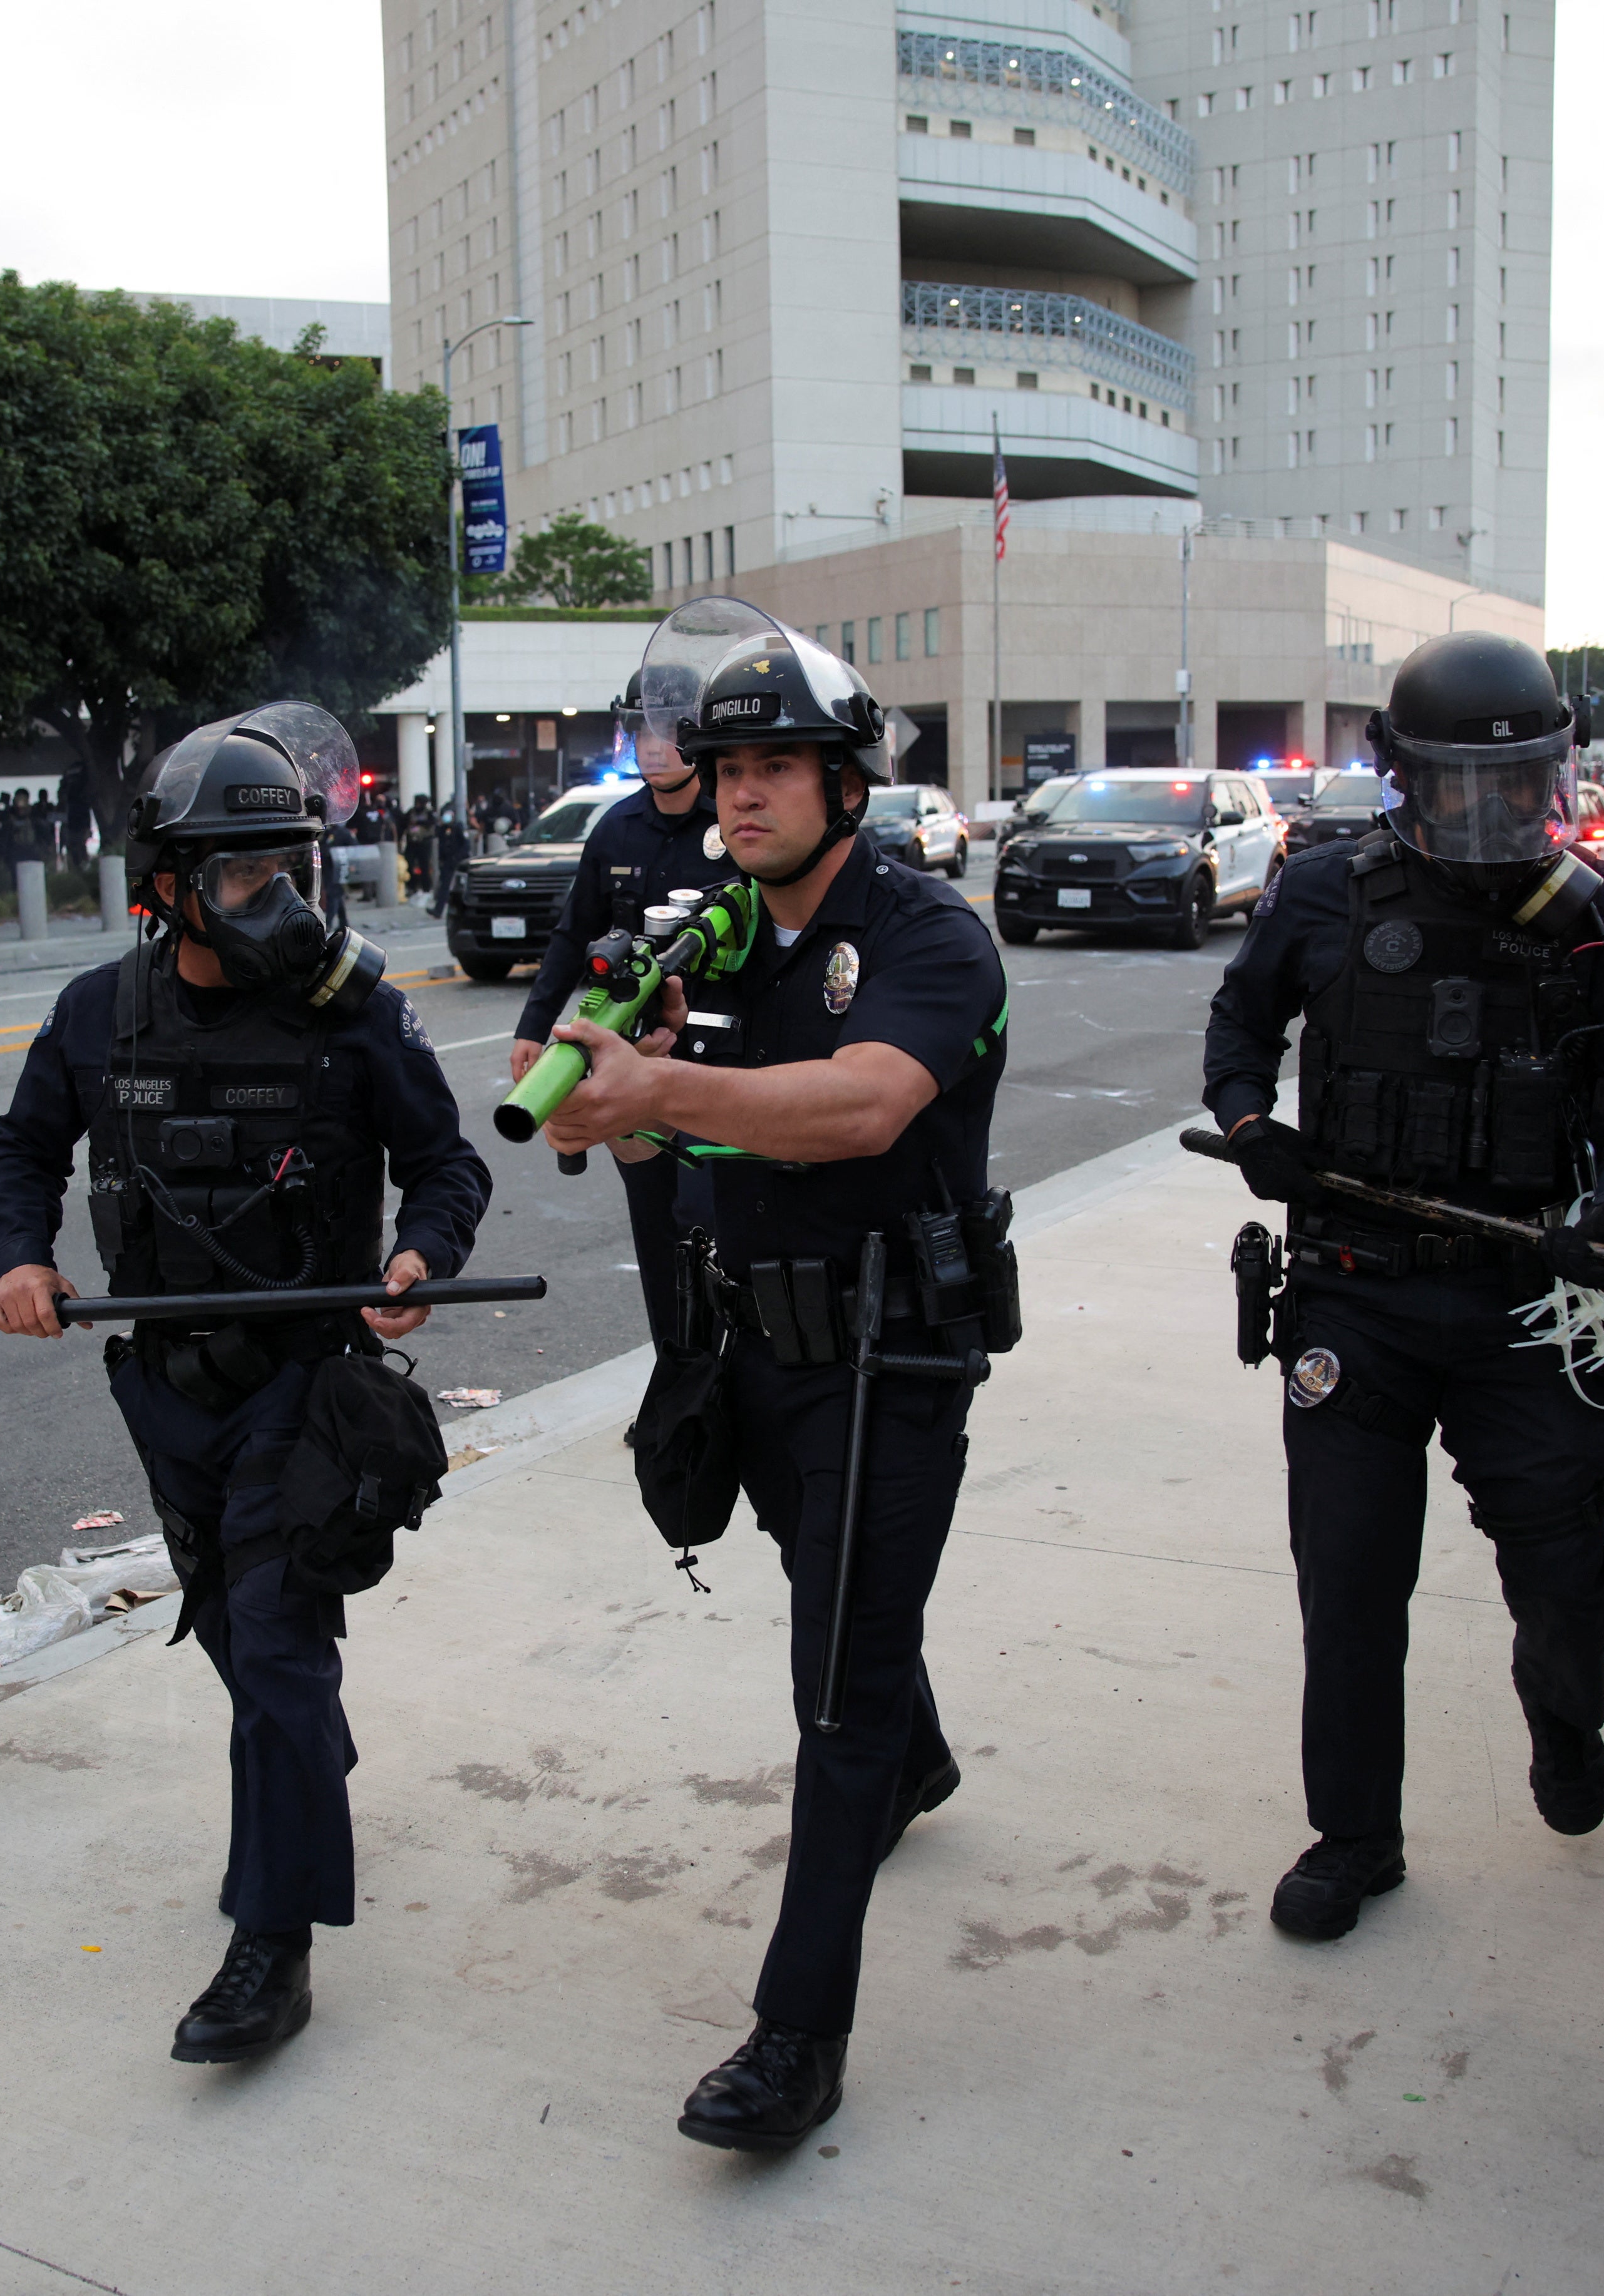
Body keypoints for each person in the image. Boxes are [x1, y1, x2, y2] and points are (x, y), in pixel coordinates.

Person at [537, 621, 1010, 2154]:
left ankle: (793, 2039)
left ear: (846, 783)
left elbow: (863, 1109)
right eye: (728, 769)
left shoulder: (930, 937)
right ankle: (918, 1754)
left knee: (830, 1694)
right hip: (754, 1346)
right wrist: (619, 1107)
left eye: (774, 769)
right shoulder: (713, 937)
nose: (741, 797)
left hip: (887, 1362)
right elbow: (663, 1142)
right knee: (830, 1594)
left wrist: (660, 1087)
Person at [0, 702, 486, 2066]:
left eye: (293, 870)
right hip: (165, 1390)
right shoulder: (95, 1017)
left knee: (270, 1644)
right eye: (246, 876)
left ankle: (272, 1942)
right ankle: (302, 1764)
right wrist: (17, 1258)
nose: (281, 901)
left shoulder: (357, 1016)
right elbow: (16, 1161)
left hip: (306, 1385)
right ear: (168, 888)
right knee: (235, 1635)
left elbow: (449, 1167)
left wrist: (418, 1250)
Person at [1201, 630, 1604, 1945]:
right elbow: (1237, 1026)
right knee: (1351, 1587)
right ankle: (1354, 1836)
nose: (1485, 815)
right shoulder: (1322, 892)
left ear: (1552, 770)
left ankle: (1562, 1708)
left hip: (1531, 1303)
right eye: (1455, 787)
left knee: (1556, 1574)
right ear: (1401, 776)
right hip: (1355, 1296)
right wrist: (1251, 1122)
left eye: (1514, 784)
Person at [509, 603, 763, 1351]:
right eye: (640, 731)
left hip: (724, 1063)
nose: (653, 749)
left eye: (668, 731)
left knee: (717, 1224)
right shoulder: (616, 827)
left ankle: (729, 1380)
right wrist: (533, 1029)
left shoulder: (734, 821)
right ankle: (677, 1383)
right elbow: (571, 936)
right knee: (657, 1230)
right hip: (634, 1061)